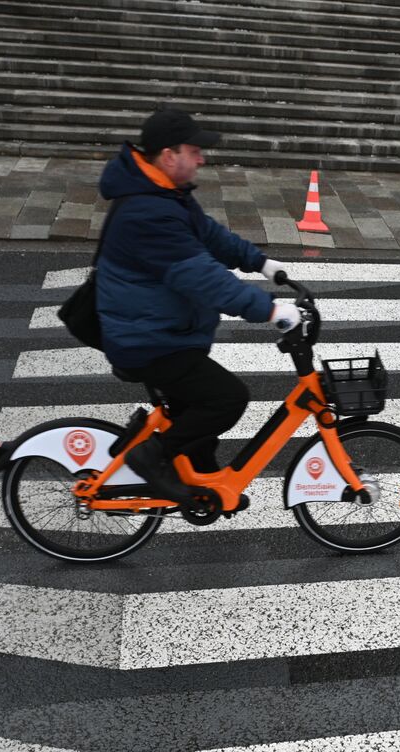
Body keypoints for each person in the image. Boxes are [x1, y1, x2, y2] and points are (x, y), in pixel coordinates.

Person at [94, 106, 299, 502]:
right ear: (169, 155)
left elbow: (209, 236)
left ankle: (204, 483)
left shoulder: (163, 193)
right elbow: (201, 276)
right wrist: (270, 310)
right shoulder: (147, 211)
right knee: (226, 398)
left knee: (197, 411)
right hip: (147, 340)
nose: (202, 158)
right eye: (194, 150)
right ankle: (152, 457)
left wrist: (261, 263)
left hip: (161, 329)